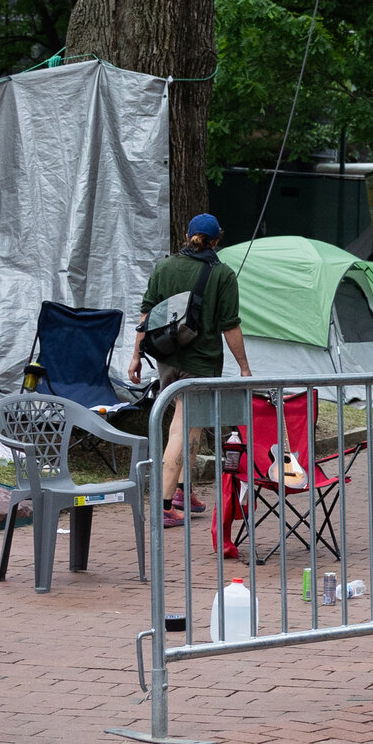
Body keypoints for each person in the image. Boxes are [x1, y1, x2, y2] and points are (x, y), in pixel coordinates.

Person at [128, 214, 253, 530]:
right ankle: (164, 505)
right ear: (217, 239)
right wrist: (244, 367)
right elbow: (230, 326)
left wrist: (136, 356)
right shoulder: (222, 275)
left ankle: (184, 493)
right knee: (184, 428)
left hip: (167, 358)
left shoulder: (165, 267)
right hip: (201, 363)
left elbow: (146, 313)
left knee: (190, 427)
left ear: (187, 235)